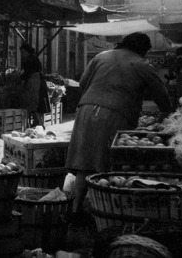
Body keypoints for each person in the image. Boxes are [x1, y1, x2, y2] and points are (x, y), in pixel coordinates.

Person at [66, 32, 172, 220]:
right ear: (143, 50)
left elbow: (82, 83)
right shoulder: (142, 64)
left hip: (85, 109)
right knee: (109, 163)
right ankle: (105, 211)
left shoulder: (101, 56)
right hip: (115, 114)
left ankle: (76, 209)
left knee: (84, 162)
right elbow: (161, 95)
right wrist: (168, 113)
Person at [19, 43, 44, 127]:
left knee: (31, 103)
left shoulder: (29, 59)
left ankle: (38, 123)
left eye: (23, 52)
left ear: (27, 51)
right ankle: (37, 123)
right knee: (33, 104)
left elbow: (27, 73)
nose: (21, 54)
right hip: (36, 81)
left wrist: (22, 82)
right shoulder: (34, 58)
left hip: (32, 82)